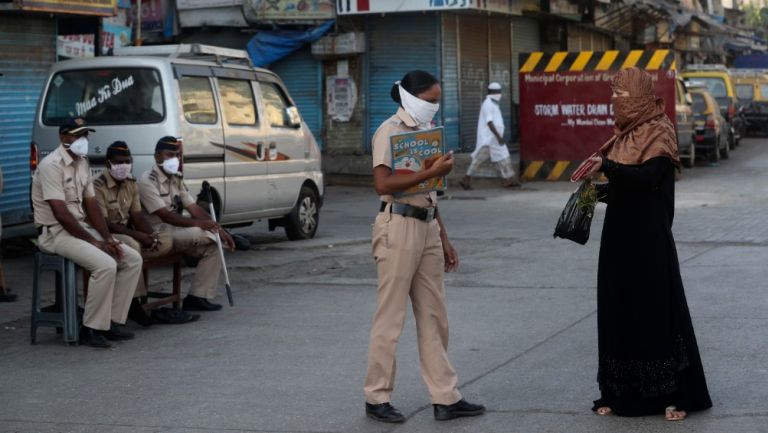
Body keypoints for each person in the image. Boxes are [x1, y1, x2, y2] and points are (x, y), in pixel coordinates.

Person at [578, 68, 712, 421]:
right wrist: (593, 190)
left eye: (620, 96)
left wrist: (606, 165)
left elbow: (650, 177)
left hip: (649, 240)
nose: (614, 102)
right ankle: (617, 391)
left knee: (653, 312)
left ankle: (669, 395)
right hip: (618, 239)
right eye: (613, 95)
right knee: (617, 309)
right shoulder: (621, 136)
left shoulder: (659, 130)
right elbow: (625, 189)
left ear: (638, 98)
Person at [364, 70, 485, 424]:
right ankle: (376, 396)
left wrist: (443, 236)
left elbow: (430, 191)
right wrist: (432, 172)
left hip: (427, 224)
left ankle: (445, 397)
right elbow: (383, 183)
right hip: (397, 226)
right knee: (391, 317)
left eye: (437, 100)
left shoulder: (424, 135)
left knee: (435, 316)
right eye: (431, 100)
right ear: (412, 98)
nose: (435, 106)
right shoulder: (389, 130)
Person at [31, 118, 143, 348]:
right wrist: (95, 242)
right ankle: (91, 329)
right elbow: (61, 214)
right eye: (77, 135)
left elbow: (91, 205)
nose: (83, 140)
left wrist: (108, 238)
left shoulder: (82, 162)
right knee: (105, 265)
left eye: (85, 135)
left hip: (81, 229)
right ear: (63, 138)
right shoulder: (50, 165)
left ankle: (111, 322)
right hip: (56, 233)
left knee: (131, 258)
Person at [93, 141, 198, 326]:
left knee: (156, 240)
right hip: (105, 232)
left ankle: (132, 301)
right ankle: (133, 303)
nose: (123, 166)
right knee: (133, 246)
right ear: (108, 163)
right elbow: (105, 223)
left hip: (124, 230)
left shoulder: (130, 184)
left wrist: (150, 235)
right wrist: (138, 236)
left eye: (127, 161)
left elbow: (137, 215)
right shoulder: (98, 185)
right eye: (118, 162)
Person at [138, 136, 234, 312]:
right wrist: (202, 225)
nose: (174, 159)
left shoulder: (176, 178)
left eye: (177, 155)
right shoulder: (147, 180)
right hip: (159, 232)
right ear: (157, 156)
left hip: (178, 230)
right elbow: (165, 216)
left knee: (214, 245)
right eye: (169, 155)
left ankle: (198, 296)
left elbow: (193, 207)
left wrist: (216, 227)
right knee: (203, 234)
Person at [459, 82, 520, 190]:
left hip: (495, 139)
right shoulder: (488, 104)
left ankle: (508, 180)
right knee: (480, 159)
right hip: (489, 139)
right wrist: (498, 136)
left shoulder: (494, 104)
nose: (499, 94)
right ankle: (466, 179)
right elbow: (489, 122)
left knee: (503, 157)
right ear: (492, 92)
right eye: (497, 92)